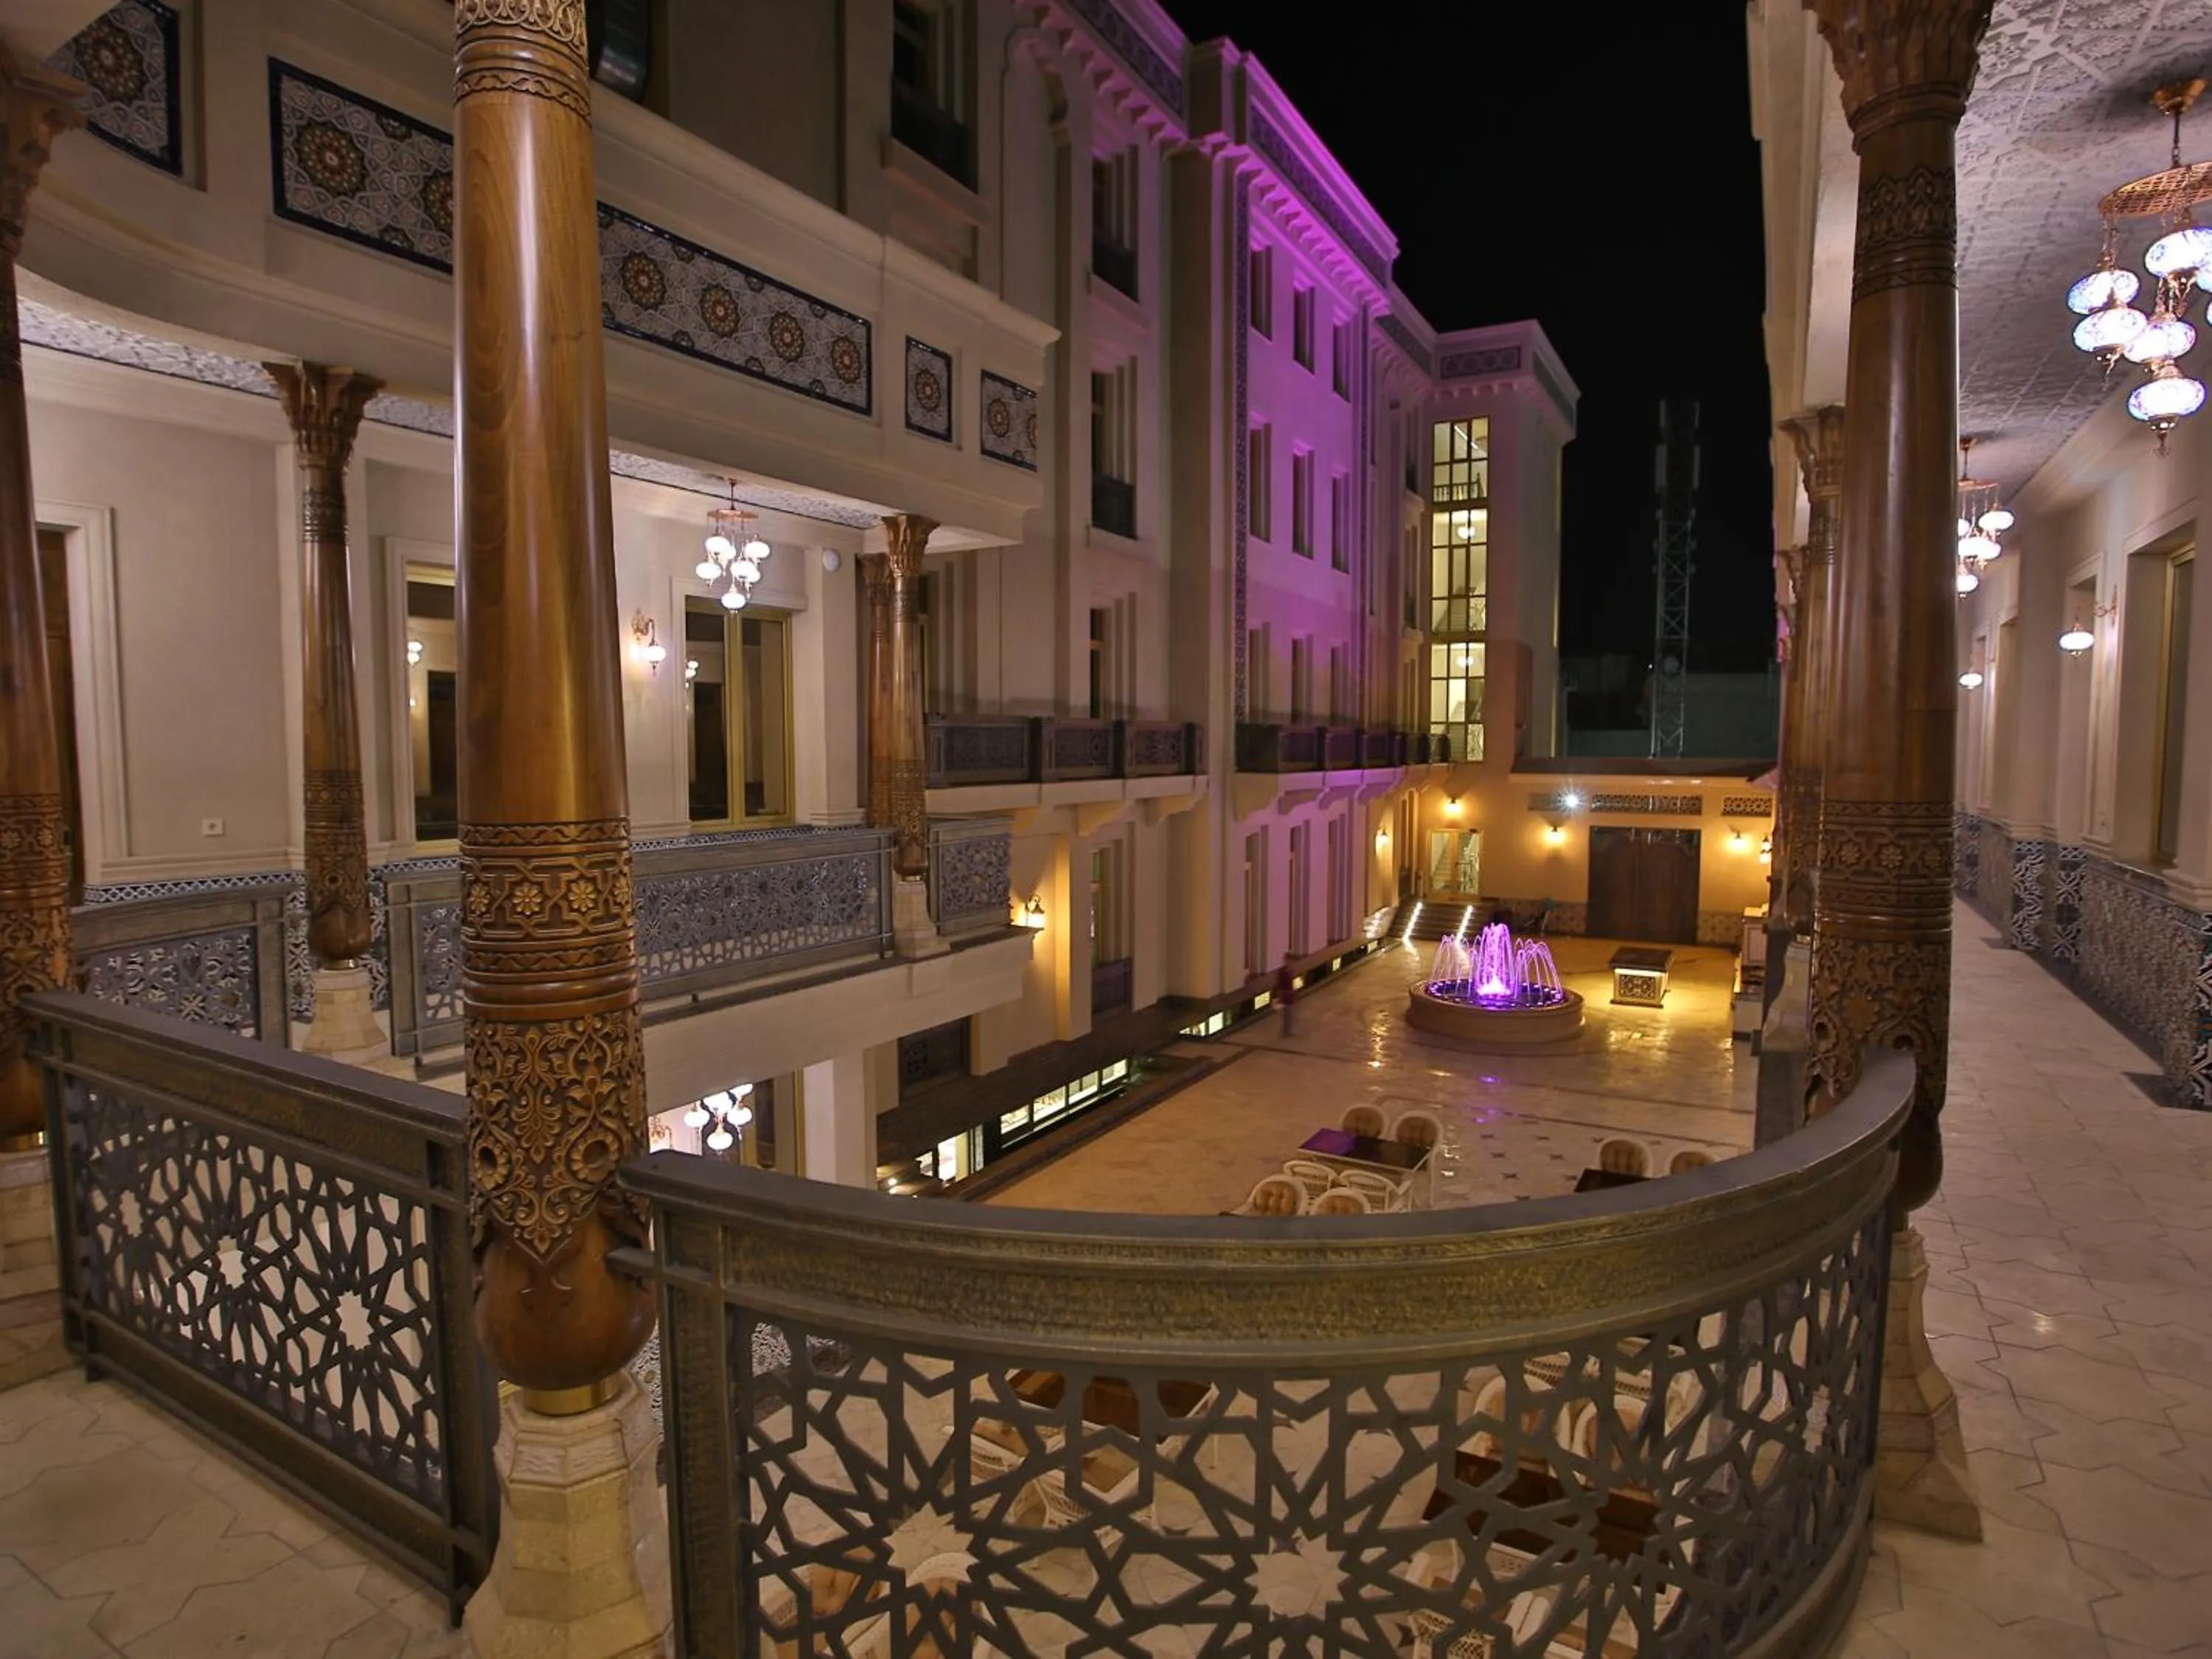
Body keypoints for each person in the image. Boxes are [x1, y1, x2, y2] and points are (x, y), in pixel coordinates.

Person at [1275, 953, 1298, 1038]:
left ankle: (1287, 1030)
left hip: (1289, 993)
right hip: (1284, 994)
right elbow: (1279, 984)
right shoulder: (1282, 971)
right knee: (1287, 1013)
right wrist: (1280, 996)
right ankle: (1286, 1031)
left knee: (1289, 1013)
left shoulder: (1290, 970)